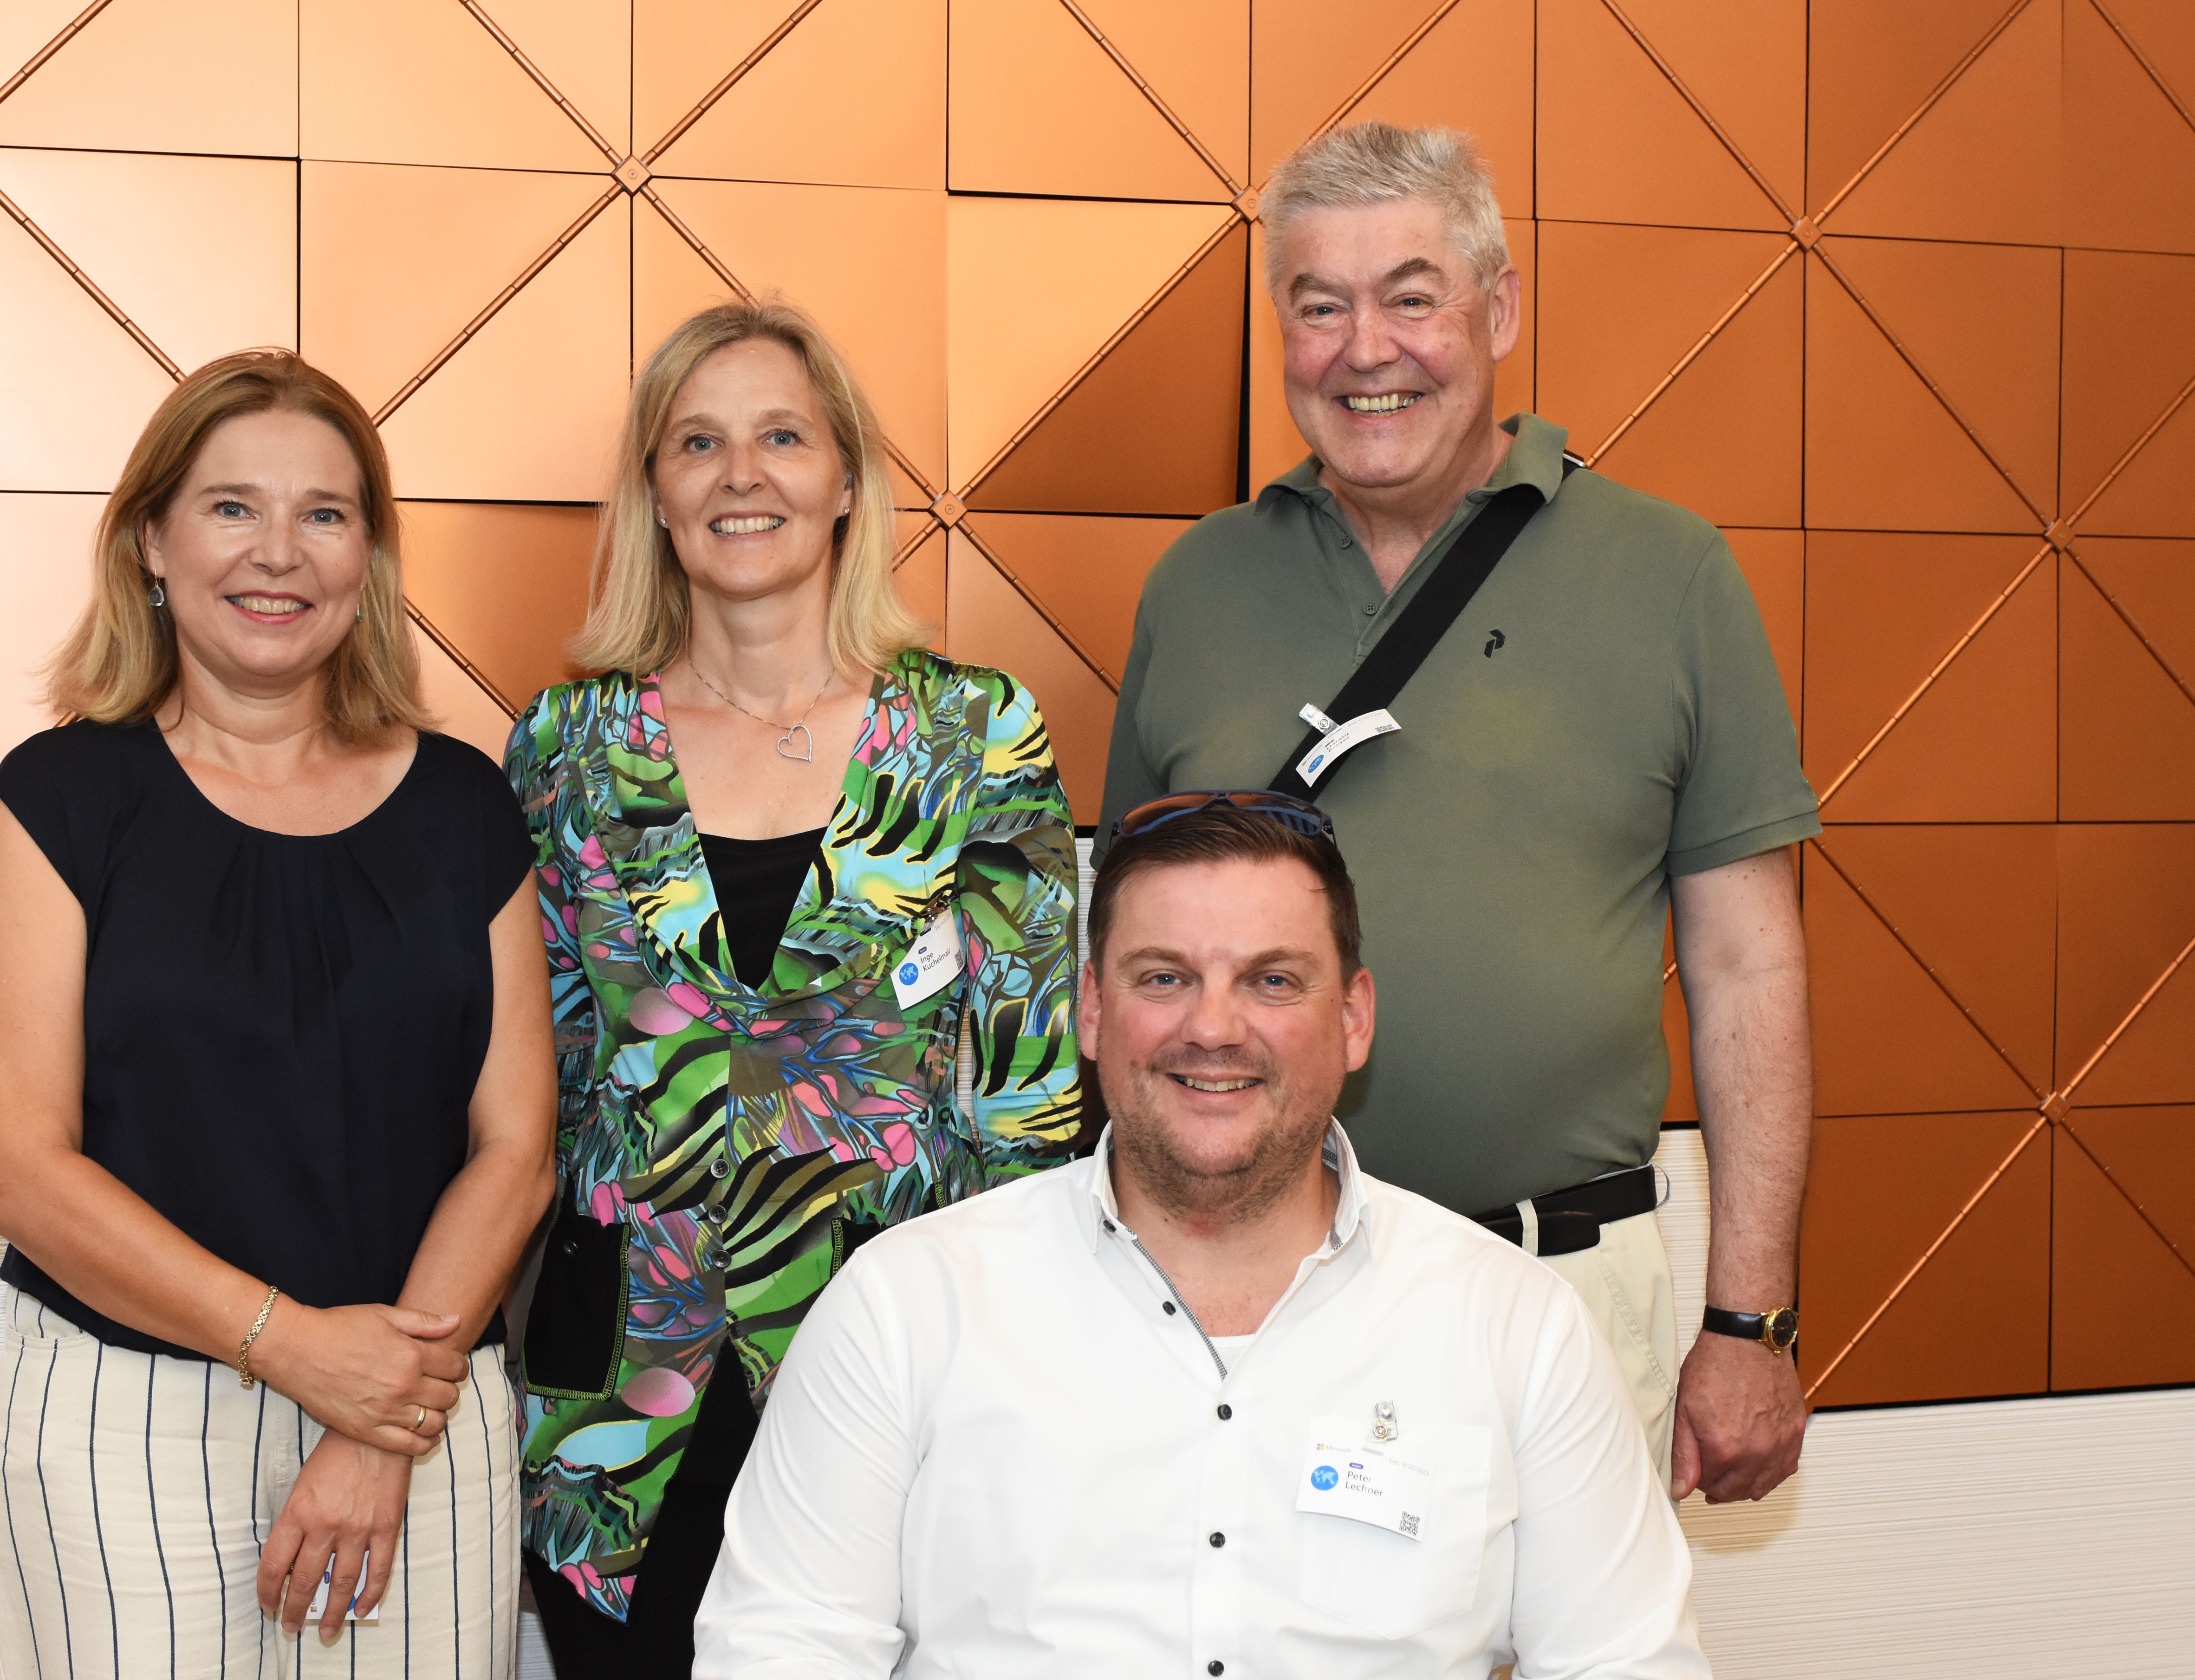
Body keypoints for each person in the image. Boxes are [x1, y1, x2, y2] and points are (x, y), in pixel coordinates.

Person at [1102, 121, 1819, 1504]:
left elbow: (1750, 966)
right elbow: (1130, 965)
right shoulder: (1195, 586)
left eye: (1411, 296)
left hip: (1557, 1296)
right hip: (1238, 1298)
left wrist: (1750, 1319)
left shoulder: (1671, 575)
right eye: (1320, 305)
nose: (1365, 348)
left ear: (1499, 310)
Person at [697, 793, 1709, 1676]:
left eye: (1272, 980)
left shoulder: (1518, 1327)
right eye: (1163, 977)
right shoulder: (905, 1307)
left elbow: (1623, 1663)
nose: (1214, 1028)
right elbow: (782, 1650)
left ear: (1354, 1017)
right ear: (1092, 1010)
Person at [0, 350, 558, 1675]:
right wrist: (295, 1348)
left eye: (323, 513)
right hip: (131, 1417)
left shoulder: (466, 806)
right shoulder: (58, 800)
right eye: (232, 506)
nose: (277, 551)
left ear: (368, 557)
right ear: (152, 541)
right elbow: (13, 1167)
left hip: (419, 1413)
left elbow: (516, 1148)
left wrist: (375, 1416)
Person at [510, 298, 1082, 1672]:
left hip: (902, 1380)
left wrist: (1025, 1375)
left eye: (782, 436)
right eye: (697, 442)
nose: (741, 474)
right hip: (624, 1410)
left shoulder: (975, 733)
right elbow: (538, 1084)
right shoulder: (567, 745)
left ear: (845, 481)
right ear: (656, 494)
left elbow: (1025, 1099)